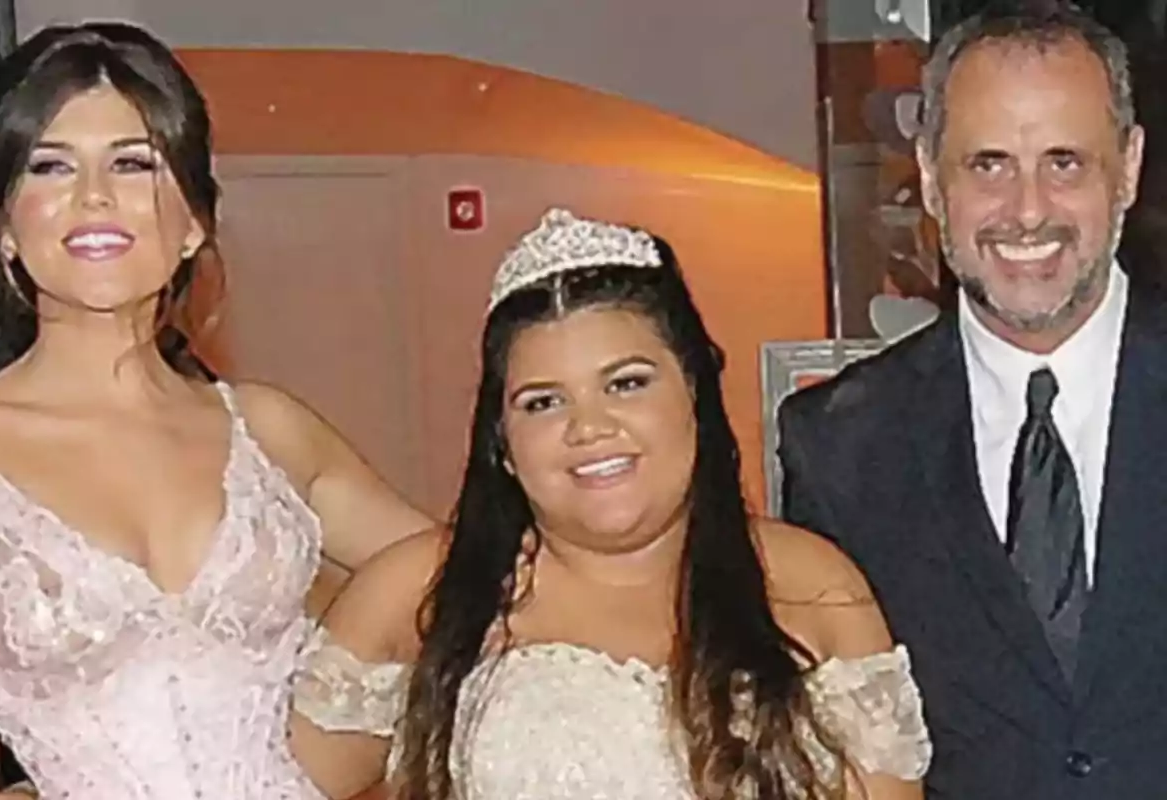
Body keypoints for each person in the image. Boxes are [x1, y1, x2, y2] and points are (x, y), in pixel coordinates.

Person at [287, 208, 931, 799]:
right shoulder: (421, 587)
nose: (588, 428)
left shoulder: (812, 583)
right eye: (543, 401)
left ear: (695, 399)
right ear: (503, 443)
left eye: (626, 384)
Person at [0, 21, 430, 799]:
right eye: (50, 166)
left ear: (192, 222)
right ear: (5, 229)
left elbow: (465, 573)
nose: (94, 197)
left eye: (133, 162)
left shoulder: (269, 429)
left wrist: (353, 706)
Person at [777, 4, 1166, 798]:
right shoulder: (838, 450)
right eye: (989, 164)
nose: (1028, 211)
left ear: (1127, 167)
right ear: (928, 174)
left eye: (1064, 162)